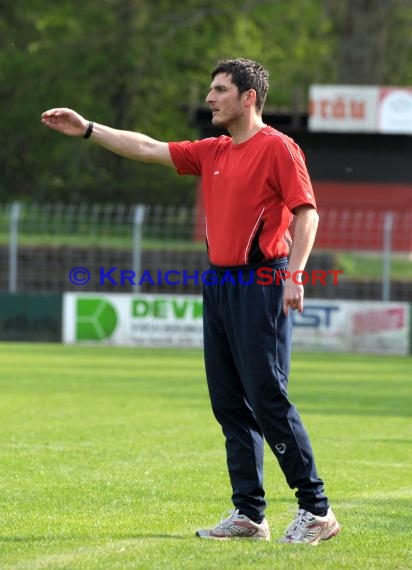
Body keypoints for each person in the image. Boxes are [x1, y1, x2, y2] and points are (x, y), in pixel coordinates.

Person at [41, 57, 340, 545]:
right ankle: (249, 514)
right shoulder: (213, 151)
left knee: (267, 397)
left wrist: (296, 274)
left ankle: (316, 510)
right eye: (211, 88)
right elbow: (148, 147)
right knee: (228, 403)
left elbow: (307, 215)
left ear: (249, 97)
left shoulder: (279, 149)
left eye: (220, 89)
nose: (209, 97)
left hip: (261, 282)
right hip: (219, 285)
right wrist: (89, 129)